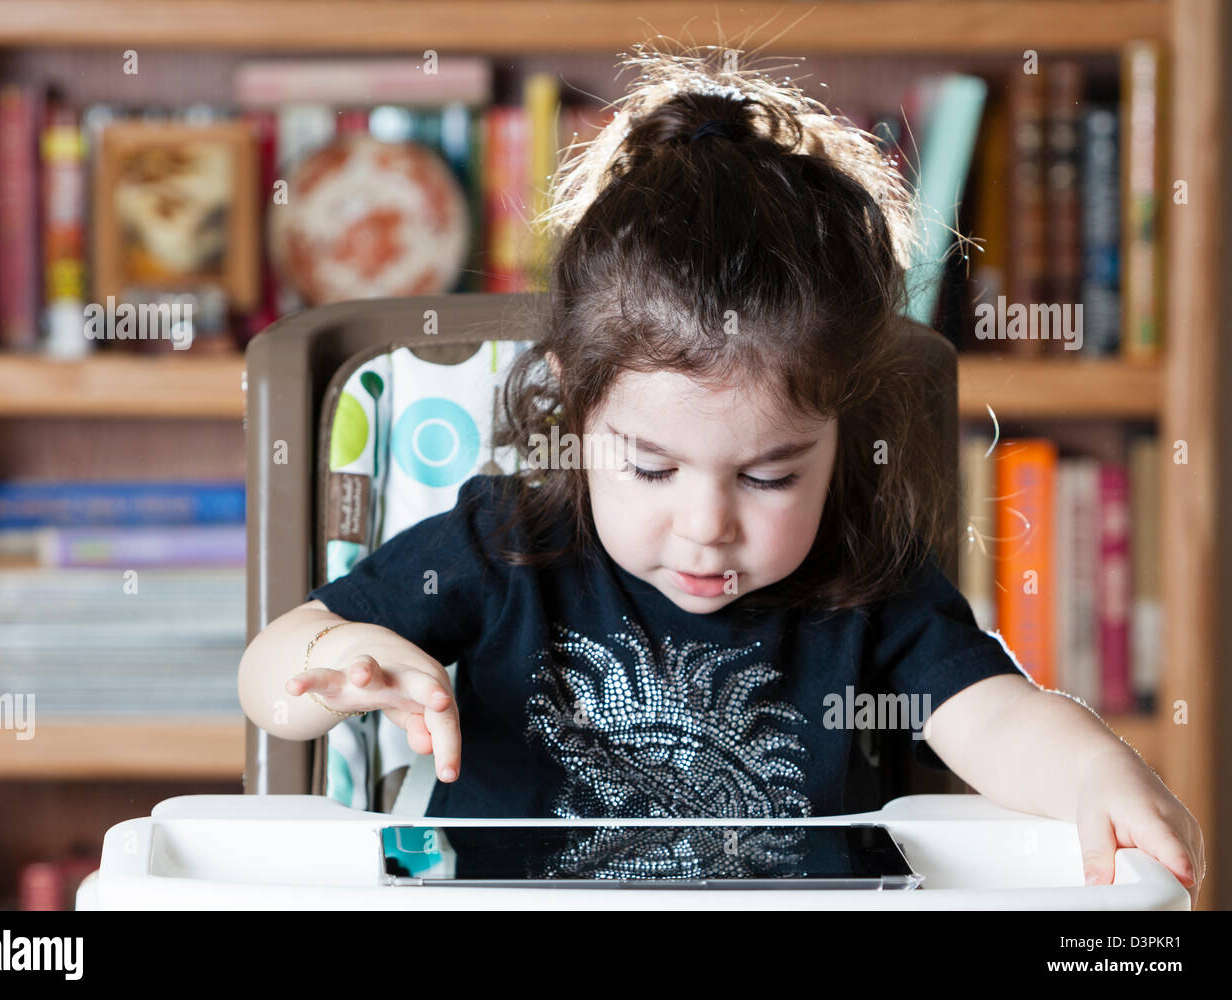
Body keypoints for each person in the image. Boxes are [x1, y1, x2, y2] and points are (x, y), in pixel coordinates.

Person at [238, 44, 1204, 902]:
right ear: (576, 407)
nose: (707, 525)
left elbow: (997, 719)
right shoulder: (502, 547)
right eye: (651, 468)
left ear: (840, 432)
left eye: (773, 477)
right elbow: (272, 675)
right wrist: (338, 667)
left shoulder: (865, 585)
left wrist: (1091, 774)